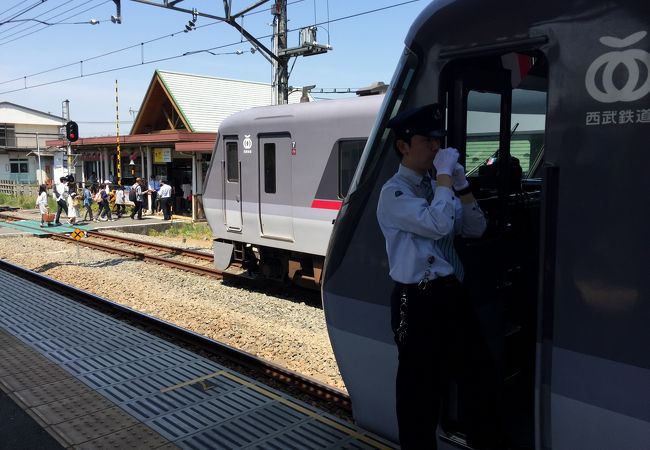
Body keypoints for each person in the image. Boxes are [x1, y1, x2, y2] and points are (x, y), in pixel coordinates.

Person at [376, 104, 497, 449]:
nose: (435, 147)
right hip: (416, 300)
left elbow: (475, 228)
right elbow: (438, 224)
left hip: (450, 295)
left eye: (437, 140)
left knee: (479, 378)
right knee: (419, 395)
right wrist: (445, 179)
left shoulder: (439, 187)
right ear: (403, 146)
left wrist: (461, 184)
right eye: (428, 140)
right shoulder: (394, 193)